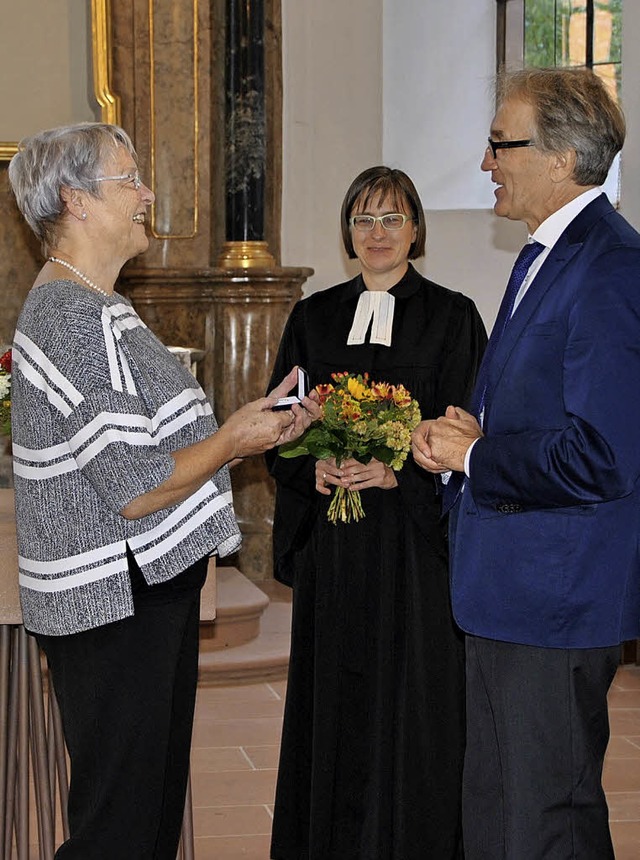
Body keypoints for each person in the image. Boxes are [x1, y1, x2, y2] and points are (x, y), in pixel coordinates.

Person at [7, 121, 318, 859]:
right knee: (118, 826)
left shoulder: (99, 306)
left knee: (143, 820)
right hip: (112, 604)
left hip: (138, 593)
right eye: (130, 179)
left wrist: (260, 427)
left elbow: (151, 450)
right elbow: (136, 487)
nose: (148, 194)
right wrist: (235, 439)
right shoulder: (69, 316)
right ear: (75, 200)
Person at [412, 67, 640, 860]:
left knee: (547, 821)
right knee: (498, 811)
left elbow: (605, 455)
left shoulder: (611, 268)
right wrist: (467, 441)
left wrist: (478, 456)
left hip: (556, 597)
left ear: (561, 158)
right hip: (510, 589)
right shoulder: (547, 254)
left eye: (499, 144)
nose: (484, 163)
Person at [266, 166, 487, 859]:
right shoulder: (314, 317)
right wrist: (313, 466)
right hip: (337, 550)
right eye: (363, 220)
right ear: (347, 235)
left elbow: (470, 430)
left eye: (392, 218)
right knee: (335, 702)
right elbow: (277, 425)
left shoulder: (453, 317)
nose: (378, 234)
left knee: (413, 705)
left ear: (416, 229)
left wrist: (399, 475)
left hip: (412, 549)